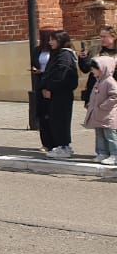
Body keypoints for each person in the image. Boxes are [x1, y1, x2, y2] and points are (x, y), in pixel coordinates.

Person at [39, 30, 79, 158]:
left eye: (53, 40)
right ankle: (61, 145)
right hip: (56, 93)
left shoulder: (64, 54)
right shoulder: (57, 53)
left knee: (61, 120)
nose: (50, 42)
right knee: (55, 120)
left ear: (60, 40)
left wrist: (50, 88)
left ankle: (64, 146)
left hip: (61, 93)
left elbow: (61, 74)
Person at [82, 55, 117, 165]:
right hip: (98, 114)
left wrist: (104, 106)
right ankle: (102, 152)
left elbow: (114, 96)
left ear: (103, 69)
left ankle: (114, 154)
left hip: (107, 115)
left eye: (94, 69)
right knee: (99, 134)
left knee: (110, 135)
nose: (92, 71)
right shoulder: (98, 81)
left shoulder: (109, 82)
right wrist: (90, 104)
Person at [79, 26, 116, 108]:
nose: (102, 39)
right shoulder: (95, 50)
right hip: (95, 87)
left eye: (104, 36)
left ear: (113, 37)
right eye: (101, 36)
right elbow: (85, 69)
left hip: (112, 90)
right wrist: (83, 59)